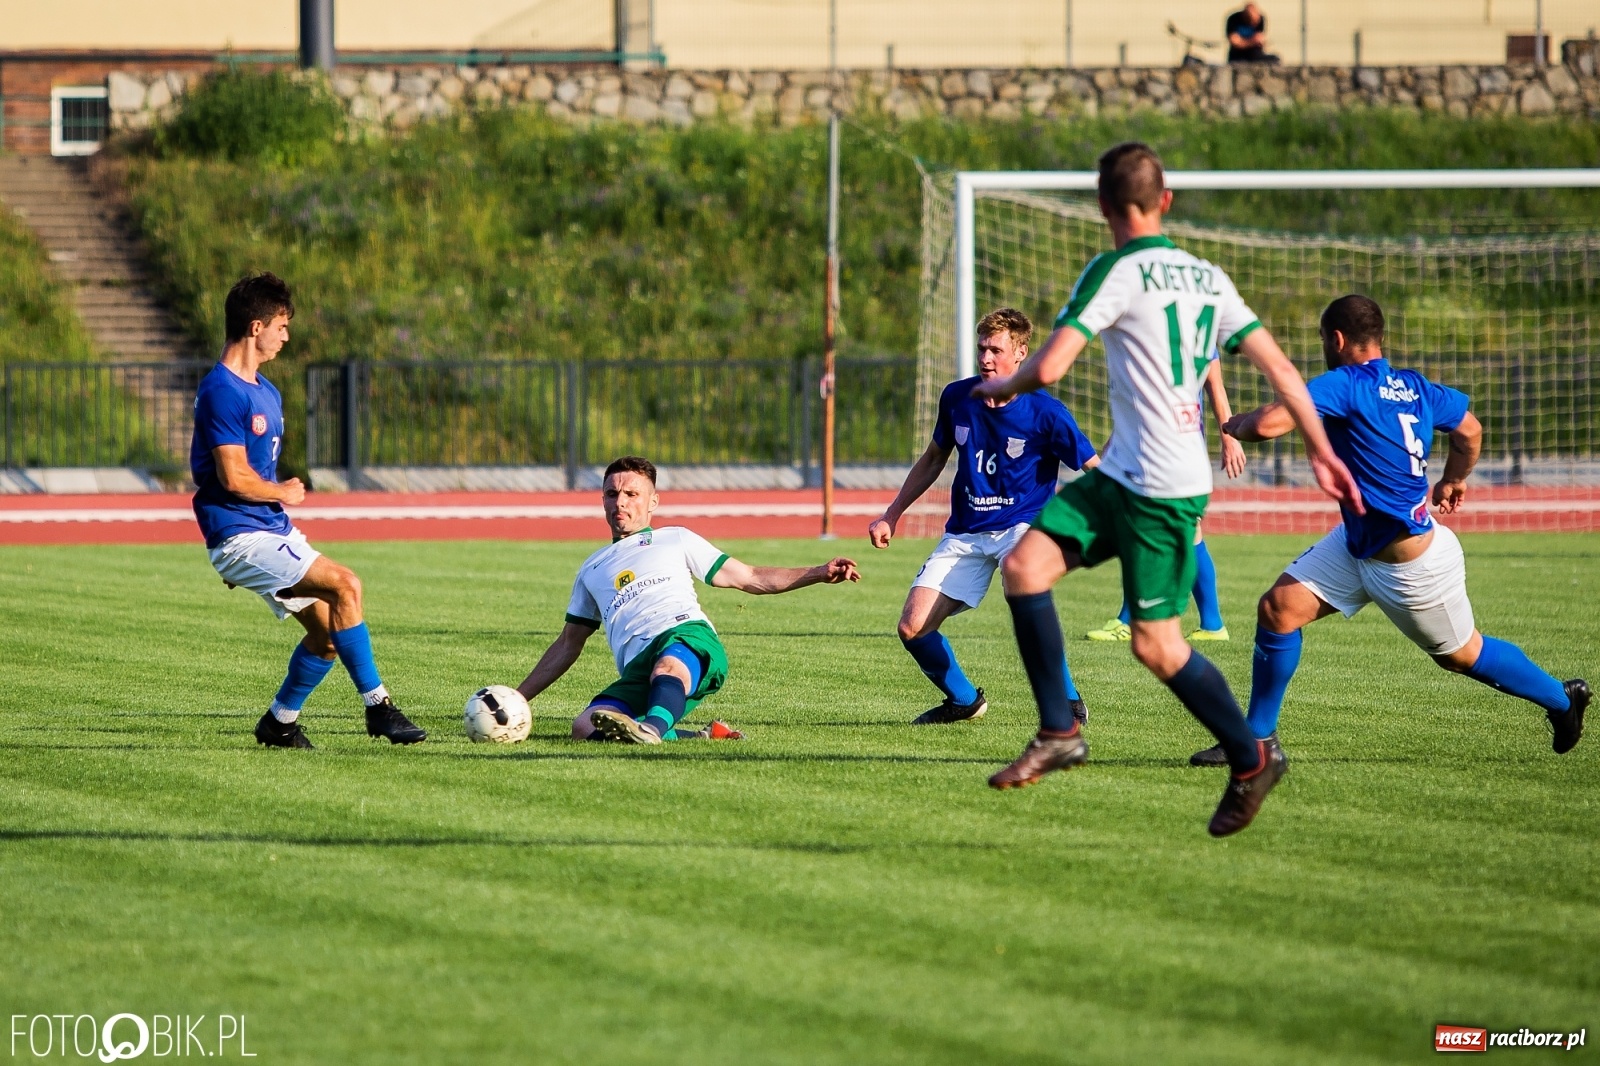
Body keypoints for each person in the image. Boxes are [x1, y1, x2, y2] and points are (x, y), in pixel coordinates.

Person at [971, 142, 1363, 837]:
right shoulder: (1209, 277)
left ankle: (1252, 758)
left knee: (1156, 645)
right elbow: (1280, 369)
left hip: (1160, 491)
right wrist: (1322, 451)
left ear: (1102, 205)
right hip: (1127, 472)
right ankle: (1059, 731)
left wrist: (1004, 383)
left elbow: (1052, 367)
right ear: (1166, 201)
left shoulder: (1114, 269)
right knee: (1026, 567)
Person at [1190, 294, 1590, 765]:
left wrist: (1235, 425)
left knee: (1462, 655)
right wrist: (1454, 479)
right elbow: (1470, 430)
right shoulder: (1415, 386)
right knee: (1278, 609)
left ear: (1337, 339)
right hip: (1358, 545)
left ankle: (1562, 699)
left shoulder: (1346, 383)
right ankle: (1255, 741)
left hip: (1410, 563)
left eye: (1323, 339)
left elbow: (1268, 425)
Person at [193, 272, 425, 749]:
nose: (286, 336)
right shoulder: (223, 390)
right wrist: (281, 493)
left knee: (327, 637)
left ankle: (279, 723)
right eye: (281, 326)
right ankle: (379, 707)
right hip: (242, 535)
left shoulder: (266, 390)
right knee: (346, 584)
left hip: (266, 532)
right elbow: (233, 477)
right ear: (256, 327)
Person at [515, 455, 860, 744]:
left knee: (668, 667)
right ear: (603, 499)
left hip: (686, 637)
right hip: (638, 666)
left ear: (653, 502)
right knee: (585, 727)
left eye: (632, 494)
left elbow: (749, 577)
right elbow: (568, 645)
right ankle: (698, 736)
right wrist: (517, 700)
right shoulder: (591, 569)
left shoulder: (675, 538)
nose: (620, 502)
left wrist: (818, 572)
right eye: (612, 493)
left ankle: (652, 729)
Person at [869, 308, 1099, 725]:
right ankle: (963, 701)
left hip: (1023, 527)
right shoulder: (957, 398)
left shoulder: (1046, 412)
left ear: (1021, 353)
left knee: (1024, 593)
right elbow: (934, 458)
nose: (986, 358)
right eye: (982, 349)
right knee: (912, 628)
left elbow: (1094, 468)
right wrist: (892, 514)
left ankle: (1067, 700)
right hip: (966, 532)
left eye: (996, 350)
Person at [1085, 358, 1244, 642]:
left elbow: (1215, 386)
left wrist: (1229, 438)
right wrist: (1115, 443)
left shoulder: (1197, 336)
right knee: (1179, 532)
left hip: (1176, 450)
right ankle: (1211, 625)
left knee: (1154, 529)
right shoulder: (1146, 340)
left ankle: (1131, 620)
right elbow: (1139, 404)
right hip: (1146, 447)